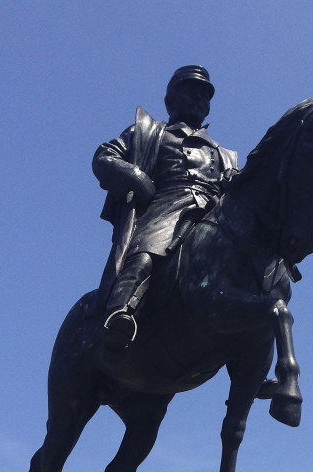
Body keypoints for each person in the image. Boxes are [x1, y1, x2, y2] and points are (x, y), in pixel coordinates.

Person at [92, 66, 238, 357]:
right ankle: (119, 313)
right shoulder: (149, 132)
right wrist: (134, 175)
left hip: (215, 215)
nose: (198, 99)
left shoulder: (226, 154)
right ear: (170, 101)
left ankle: (248, 351)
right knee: (146, 255)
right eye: (190, 92)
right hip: (167, 208)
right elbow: (104, 156)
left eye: (204, 95)